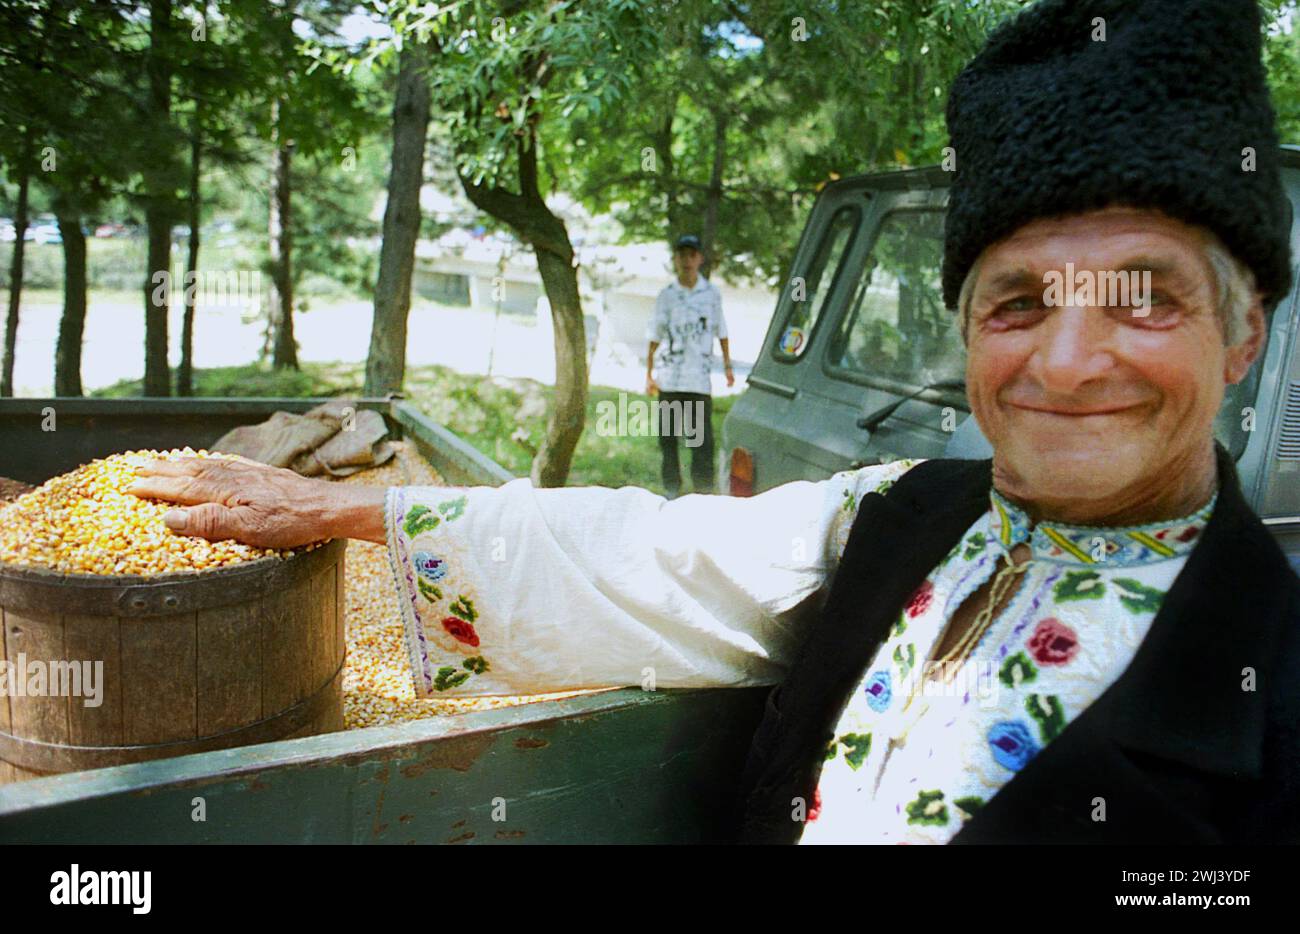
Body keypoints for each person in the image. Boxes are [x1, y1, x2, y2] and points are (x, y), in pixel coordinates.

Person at [129, 0, 1299, 844]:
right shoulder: (895, 515)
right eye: (1017, 301)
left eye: (1143, 297)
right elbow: (655, 556)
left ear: (1242, 332)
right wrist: (353, 506)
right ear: (964, 330)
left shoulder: (1275, 685)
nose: (1068, 359)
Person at [645, 234, 734, 497]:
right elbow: (654, 335)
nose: (687, 260)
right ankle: (672, 490)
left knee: (700, 442)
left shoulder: (711, 294)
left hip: (698, 381)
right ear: (676, 259)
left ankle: (702, 492)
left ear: (700, 259)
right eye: (682, 255)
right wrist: (649, 373)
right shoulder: (667, 296)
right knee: (669, 439)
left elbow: (722, 331)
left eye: (692, 255)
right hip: (670, 378)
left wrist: (728, 367)